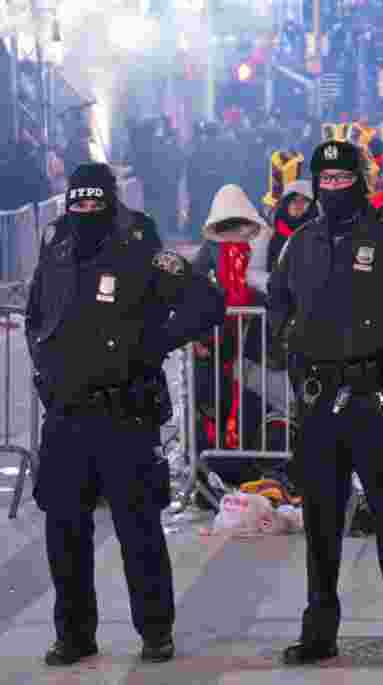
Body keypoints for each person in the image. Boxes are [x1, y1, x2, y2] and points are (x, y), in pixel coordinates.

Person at [266, 141, 383, 666]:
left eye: (341, 179)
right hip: (319, 400)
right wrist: (289, 338)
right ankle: (318, 634)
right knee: (321, 523)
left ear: (362, 181)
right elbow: (277, 300)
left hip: (379, 398)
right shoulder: (301, 243)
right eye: (323, 180)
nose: (332, 188)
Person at [25, 163, 226, 666]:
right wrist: (45, 362)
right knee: (64, 534)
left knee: (139, 532)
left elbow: (207, 301)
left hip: (126, 417)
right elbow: (35, 314)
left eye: (95, 204)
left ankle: (155, 631)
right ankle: (74, 634)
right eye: (78, 204)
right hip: (67, 417)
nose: (86, 212)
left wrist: (155, 342)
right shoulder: (58, 250)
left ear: (110, 204)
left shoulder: (141, 250)